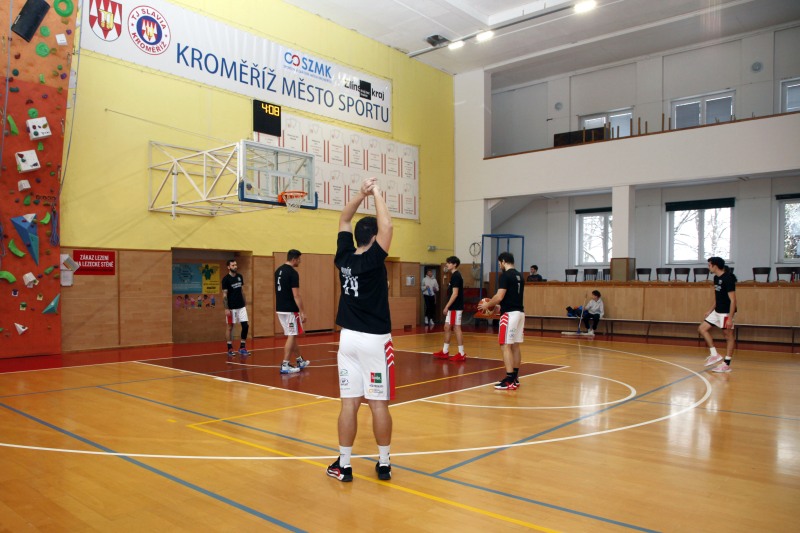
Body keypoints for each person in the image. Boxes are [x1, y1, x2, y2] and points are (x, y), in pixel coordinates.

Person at [327, 177, 394, 483]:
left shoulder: (343, 258)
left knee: (349, 404)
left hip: (348, 340)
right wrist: (376, 191)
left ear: (355, 236)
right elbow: (388, 226)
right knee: (378, 404)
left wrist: (359, 194)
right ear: (374, 237)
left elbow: (343, 218)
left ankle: (344, 465)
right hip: (375, 341)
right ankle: (384, 463)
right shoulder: (374, 259)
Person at [478, 252, 525, 390]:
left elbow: (499, 296)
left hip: (509, 315)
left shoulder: (505, 275)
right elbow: (512, 296)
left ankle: (509, 380)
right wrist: (499, 306)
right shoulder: (519, 276)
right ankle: (515, 378)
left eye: (499, 263)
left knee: (505, 346)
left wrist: (487, 305)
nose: (499, 266)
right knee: (515, 346)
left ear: (503, 261)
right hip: (520, 313)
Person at [698, 256, 737, 373]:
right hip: (717, 311)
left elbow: (733, 300)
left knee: (728, 336)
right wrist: (710, 310)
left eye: (709, 265)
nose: (708, 267)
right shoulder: (716, 278)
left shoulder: (728, 279)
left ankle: (726, 364)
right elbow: (718, 297)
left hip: (725, 313)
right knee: (702, 329)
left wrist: (730, 318)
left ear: (715, 266)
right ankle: (714, 354)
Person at [275, 249, 311, 374]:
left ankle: (300, 360)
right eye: (299, 259)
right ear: (294, 259)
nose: (300, 262)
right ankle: (285, 364)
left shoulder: (278, 271)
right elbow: (296, 295)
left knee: (292, 334)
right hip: (290, 309)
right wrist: (302, 311)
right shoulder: (292, 273)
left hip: (280, 308)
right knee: (292, 335)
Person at [433, 256, 466, 361]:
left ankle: (461, 353)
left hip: (455, 307)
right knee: (447, 327)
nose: (447, 264)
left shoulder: (456, 276)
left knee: (456, 328)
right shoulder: (453, 275)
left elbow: (455, 294)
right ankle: (445, 351)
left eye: (449, 263)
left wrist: (447, 306)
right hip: (453, 307)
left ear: (454, 264)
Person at [221, 259, 251, 360]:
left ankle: (242, 347)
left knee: (245, 326)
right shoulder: (226, 279)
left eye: (236, 265)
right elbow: (224, 295)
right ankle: (230, 348)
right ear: (228, 267)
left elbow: (241, 290)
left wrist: (245, 301)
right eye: (233, 265)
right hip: (231, 308)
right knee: (230, 327)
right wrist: (226, 308)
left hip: (241, 307)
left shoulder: (240, 277)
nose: (235, 266)